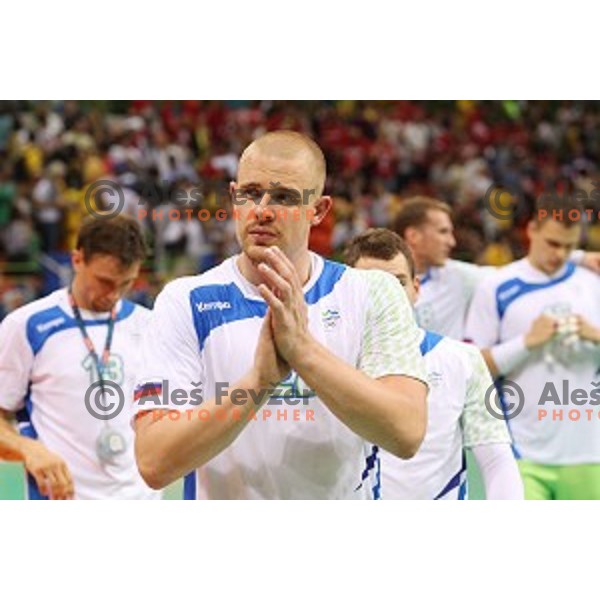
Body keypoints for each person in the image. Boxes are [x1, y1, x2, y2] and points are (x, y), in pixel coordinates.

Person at [133, 130, 428, 499]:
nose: (263, 210)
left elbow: (406, 431)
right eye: (251, 193)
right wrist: (257, 383)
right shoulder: (185, 300)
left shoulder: (370, 292)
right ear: (233, 198)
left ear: (318, 211)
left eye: (285, 197)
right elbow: (154, 461)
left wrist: (302, 350)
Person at [345, 228, 523, 499]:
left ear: (416, 289)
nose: (387, 298)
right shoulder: (326, 362)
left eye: (398, 283)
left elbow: (497, 459)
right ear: (348, 293)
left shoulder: (465, 360)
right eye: (372, 286)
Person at [0, 215, 160, 500]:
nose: (113, 294)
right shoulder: (27, 326)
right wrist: (28, 448)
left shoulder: (150, 326)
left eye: (126, 284)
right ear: (77, 260)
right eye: (104, 281)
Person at [465, 195, 600, 499]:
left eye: (569, 246)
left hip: (589, 453)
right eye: (553, 243)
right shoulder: (497, 286)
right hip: (521, 452)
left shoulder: (593, 281)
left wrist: (596, 335)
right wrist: (526, 343)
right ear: (531, 230)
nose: (560, 254)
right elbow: (473, 366)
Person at [394, 196, 600, 340]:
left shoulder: (456, 277)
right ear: (413, 236)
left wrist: (576, 257)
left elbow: (517, 272)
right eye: (443, 232)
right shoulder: (374, 282)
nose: (452, 241)